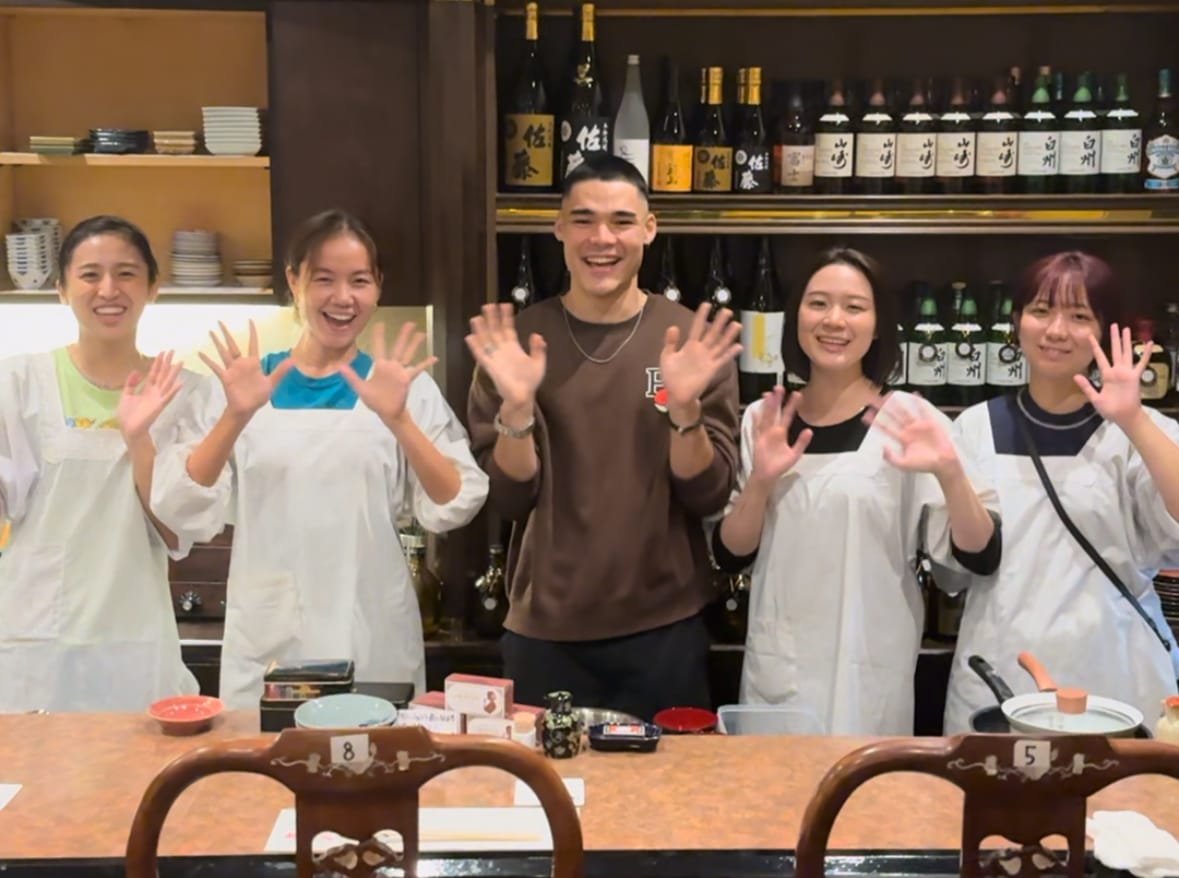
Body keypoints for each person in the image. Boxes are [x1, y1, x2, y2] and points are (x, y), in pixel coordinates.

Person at [152, 209, 488, 708]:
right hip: (270, 636)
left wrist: (399, 421)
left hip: (372, 632)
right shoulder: (243, 386)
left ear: (377, 288)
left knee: (376, 776)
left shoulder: (401, 387)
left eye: (359, 281)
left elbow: (456, 500)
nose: (343, 298)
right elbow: (179, 505)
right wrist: (235, 417)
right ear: (294, 281)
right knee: (267, 778)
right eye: (324, 279)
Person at [466, 154, 741, 721]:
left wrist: (685, 408)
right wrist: (517, 407)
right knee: (544, 801)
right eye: (584, 220)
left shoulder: (689, 338)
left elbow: (709, 494)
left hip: (664, 628)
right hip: (544, 629)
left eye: (620, 220)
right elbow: (511, 497)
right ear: (559, 228)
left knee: (669, 804)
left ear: (649, 228)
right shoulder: (518, 343)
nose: (602, 238)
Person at [713, 247, 1001, 736]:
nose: (834, 321)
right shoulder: (765, 419)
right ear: (795, 316)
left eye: (854, 307)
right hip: (778, 667)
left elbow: (979, 555)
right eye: (818, 303)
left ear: (878, 324)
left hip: (868, 670)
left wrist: (951, 472)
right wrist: (761, 480)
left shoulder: (910, 420)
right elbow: (732, 554)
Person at [944, 251, 1179, 734]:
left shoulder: (1140, 430)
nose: (1056, 330)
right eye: (1041, 310)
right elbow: (956, 567)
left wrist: (1133, 419)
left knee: (1122, 809)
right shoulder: (974, 428)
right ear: (1016, 322)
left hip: (1116, 673)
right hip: (1003, 671)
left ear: (1108, 332)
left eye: (1079, 317)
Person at [0, 215, 206, 711]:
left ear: (154, 288)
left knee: (135, 782)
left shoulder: (186, 394)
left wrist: (139, 441)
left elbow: (177, 533)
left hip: (135, 639)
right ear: (61, 290)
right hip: (34, 642)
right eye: (90, 274)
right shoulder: (19, 382)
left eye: (127, 273)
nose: (108, 289)